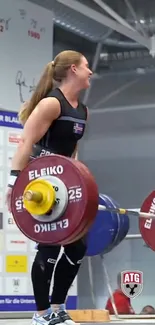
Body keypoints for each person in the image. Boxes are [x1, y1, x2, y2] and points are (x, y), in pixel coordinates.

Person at [6, 50, 92, 325]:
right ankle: (41, 314)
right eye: (87, 66)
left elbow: (72, 150)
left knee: (77, 249)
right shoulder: (51, 104)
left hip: (65, 184)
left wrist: (78, 180)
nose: (91, 72)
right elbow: (26, 143)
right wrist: (13, 185)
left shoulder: (82, 109)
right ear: (74, 70)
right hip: (41, 184)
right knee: (50, 247)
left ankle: (58, 308)